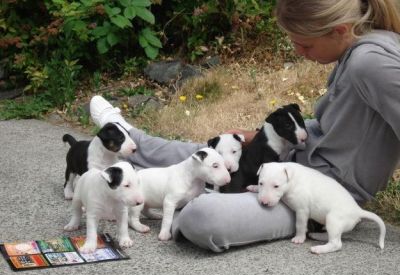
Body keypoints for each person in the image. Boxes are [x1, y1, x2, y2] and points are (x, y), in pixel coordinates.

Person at [90, 0, 400, 252]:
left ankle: (181, 193)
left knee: (203, 217)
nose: (298, 53)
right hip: (290, 165)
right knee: (203, 154)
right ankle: (123, 135)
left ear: (339, 30)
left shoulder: (371, 64)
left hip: (322, 197)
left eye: (305, 45)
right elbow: (340, 128)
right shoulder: (358, 51)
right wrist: (272, 135)